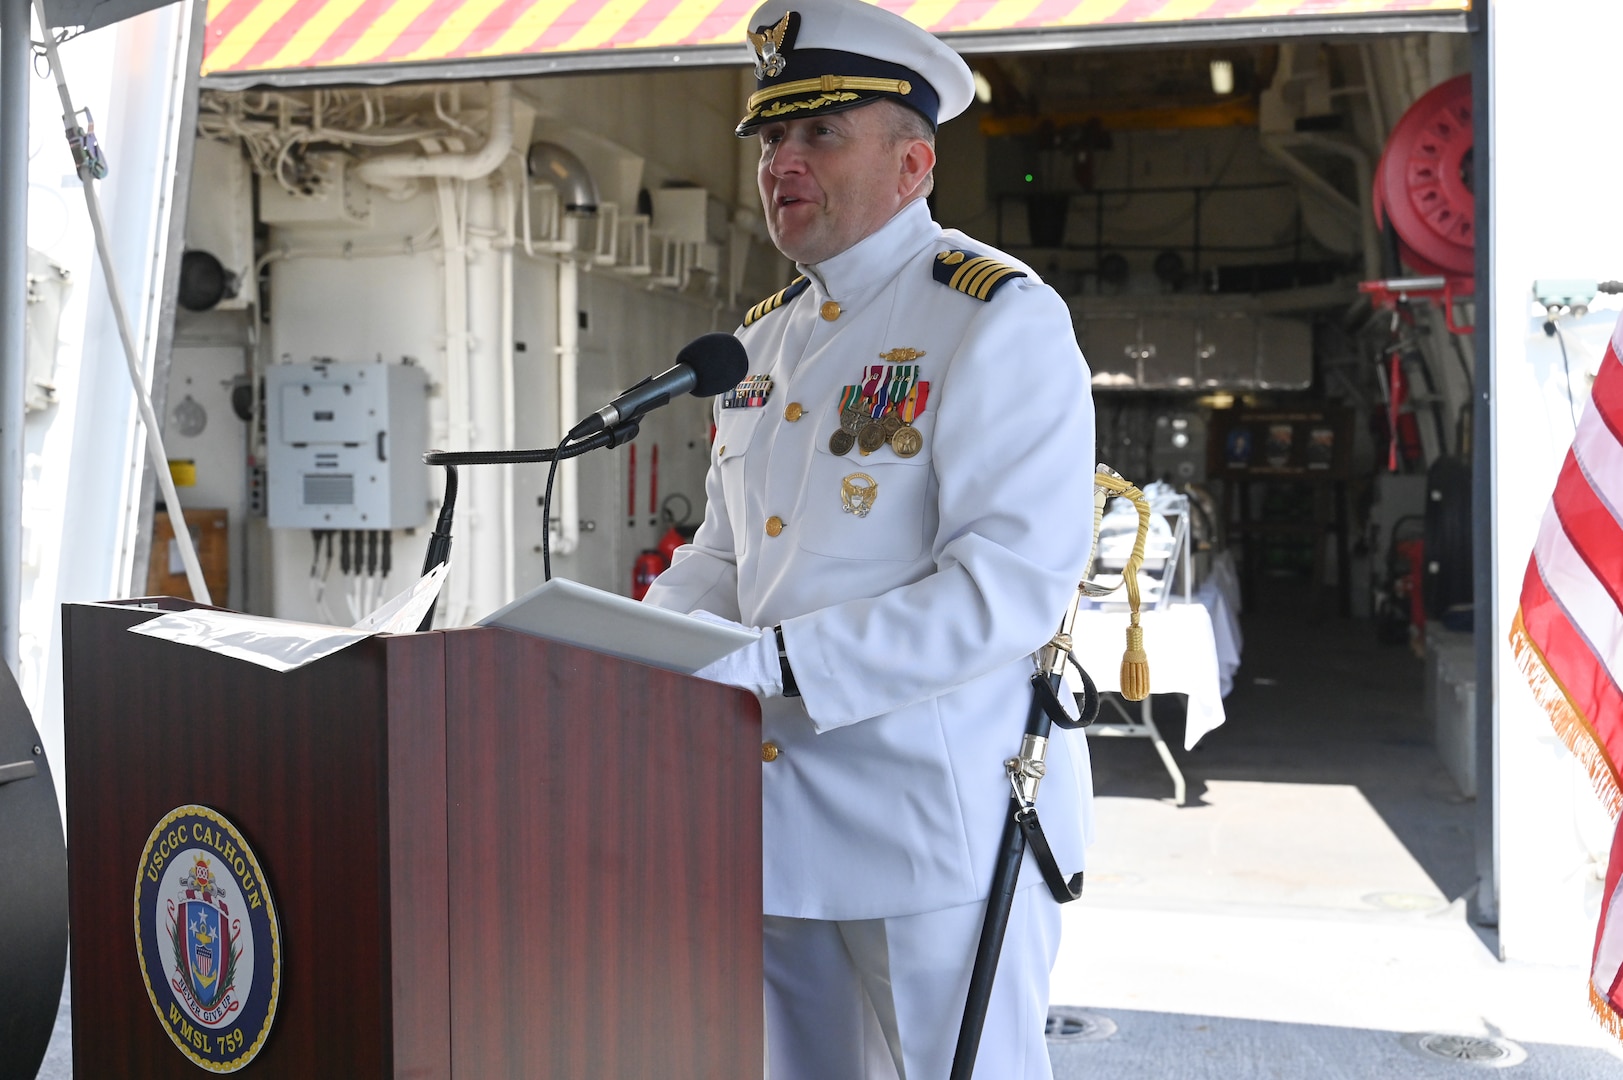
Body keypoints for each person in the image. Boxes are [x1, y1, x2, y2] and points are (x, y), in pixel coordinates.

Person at [641, 1, 1097, 1076]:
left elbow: (1007, 589)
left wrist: (775, 663)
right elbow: (725, 554)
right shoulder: (762, 339)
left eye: (819, 134)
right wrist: (631, 648)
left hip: (933, 832)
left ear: (912, 164)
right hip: (775, 821)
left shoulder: (991, 317)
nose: (781, 162)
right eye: (771, 137)